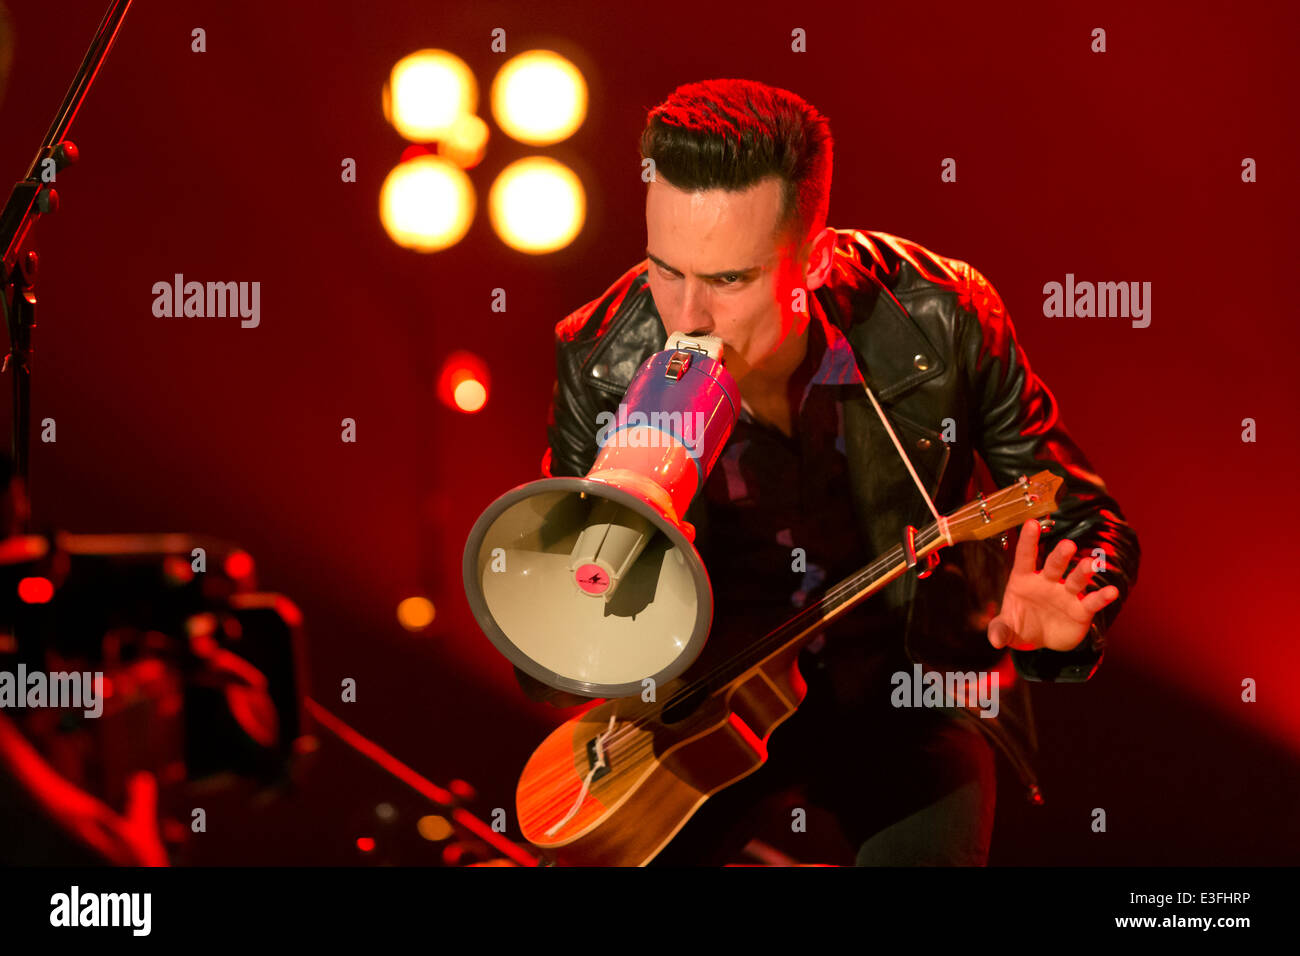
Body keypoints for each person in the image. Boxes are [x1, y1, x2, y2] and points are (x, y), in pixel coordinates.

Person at [514, 78, 1140, 866]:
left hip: (906, 690)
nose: (686, 317)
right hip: (702, 705)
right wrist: (597, 594)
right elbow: (550, 649)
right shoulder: (601, 354)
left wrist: (1061, 617)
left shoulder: (943, 314)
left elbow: (1081, 514)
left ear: (812, 258)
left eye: (729, 280)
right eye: (664, 270)